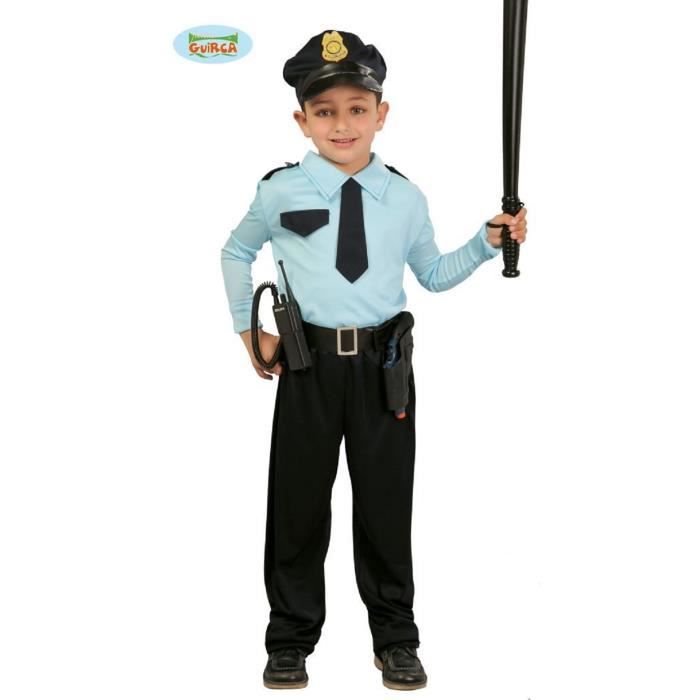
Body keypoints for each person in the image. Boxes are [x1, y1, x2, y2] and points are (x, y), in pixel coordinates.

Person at [220, 29, 528, 691]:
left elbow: (434, 275)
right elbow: (235, 252)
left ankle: (395, 638)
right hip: (307, 366)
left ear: (381, 114)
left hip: (384, 368)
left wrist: (485, 242)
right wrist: (249, 330)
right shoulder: (279, 191)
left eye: (357, 109)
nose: (342, 124)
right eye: (325, 111)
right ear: (301, 120)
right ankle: (290, 639)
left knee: (386, 506)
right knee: (298, 506)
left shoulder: (405, 199)